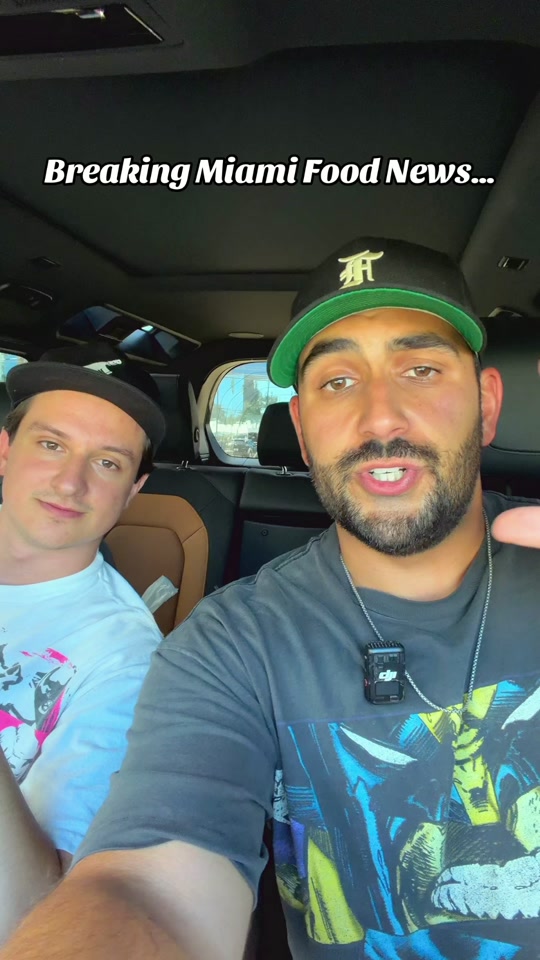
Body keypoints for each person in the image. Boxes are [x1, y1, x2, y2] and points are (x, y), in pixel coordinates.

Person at [2, 238, 540, 960]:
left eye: (420, 369)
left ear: (486, 404)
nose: (381, 418)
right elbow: (149, 888)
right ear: (304, 433)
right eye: (337, 382)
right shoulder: (229, 642)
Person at [0, 345, 165, 942]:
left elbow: (31, 912)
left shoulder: (126, 657)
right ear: (4, 449)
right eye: (51, 444)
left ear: (133, 490)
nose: (70, 483)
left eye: (108, 463)